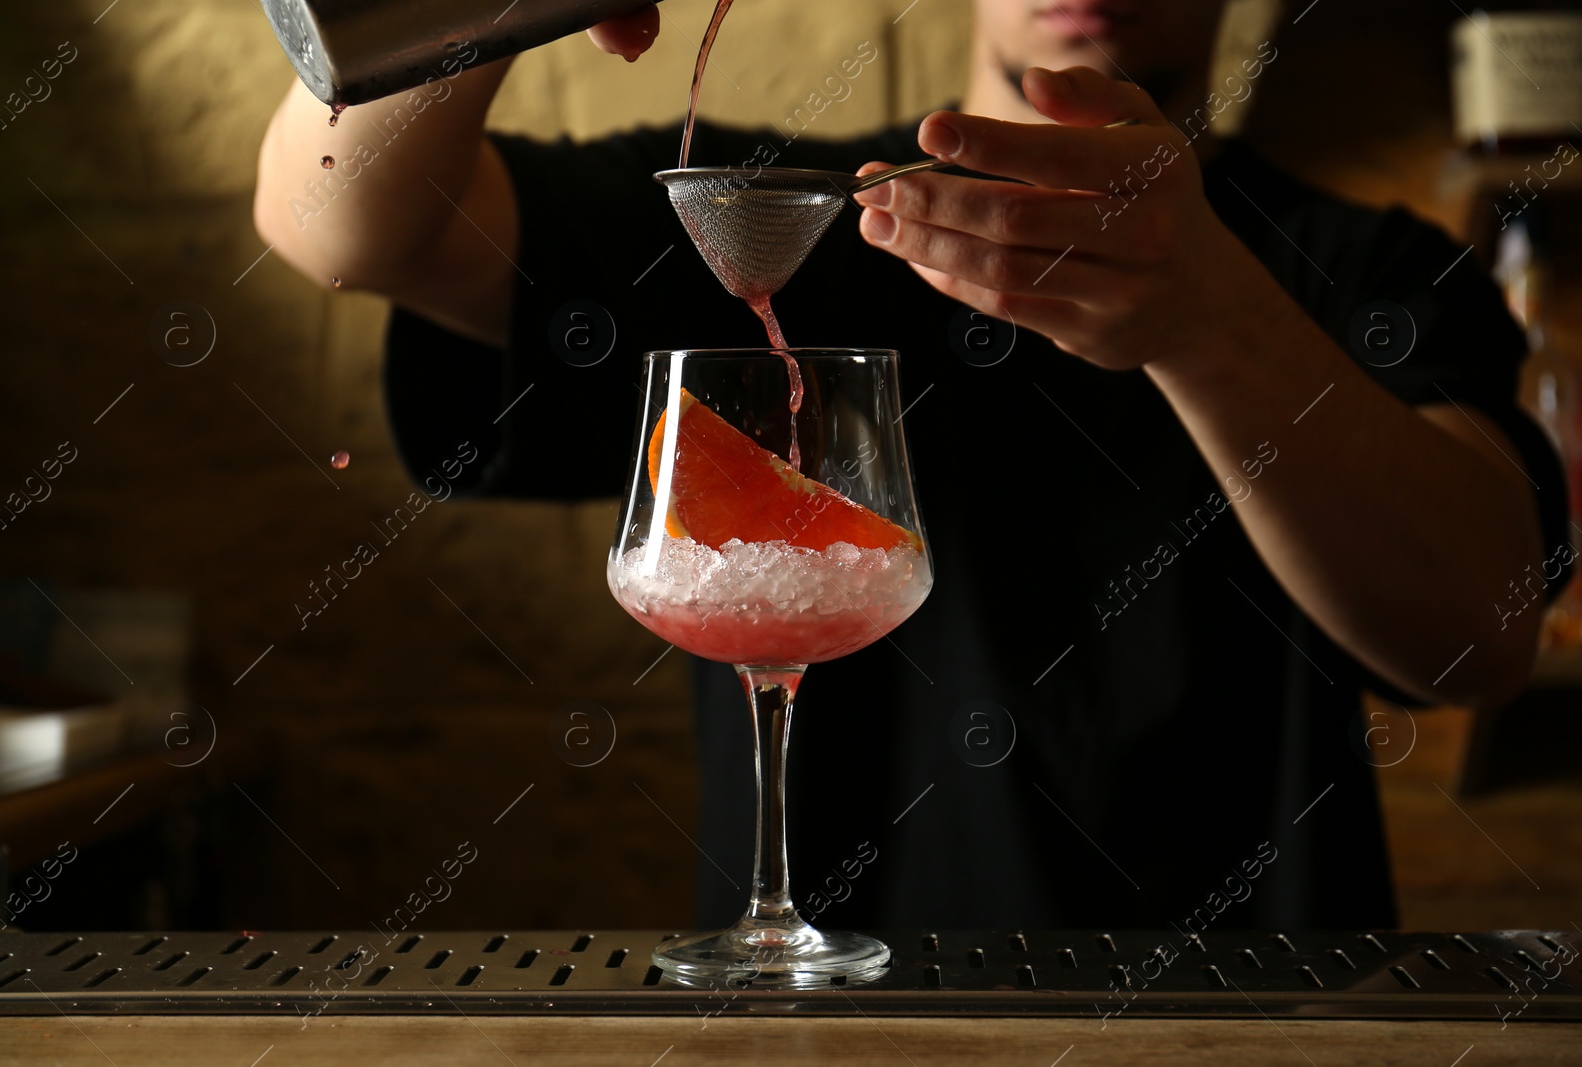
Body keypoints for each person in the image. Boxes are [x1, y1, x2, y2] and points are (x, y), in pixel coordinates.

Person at [254, 1, 1567, 931]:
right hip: (830, 1031)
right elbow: (343, 225)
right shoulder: (777, 213)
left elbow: (1476, 640)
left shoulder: (1376, 269)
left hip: (1258, 1022)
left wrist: (1212, 320)